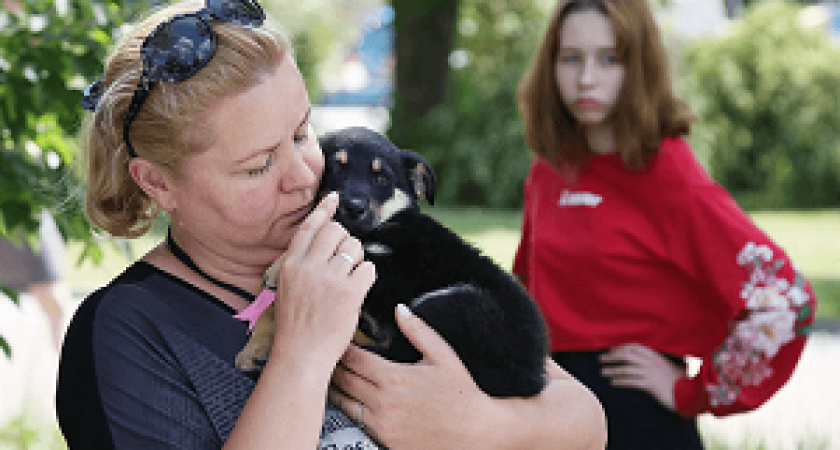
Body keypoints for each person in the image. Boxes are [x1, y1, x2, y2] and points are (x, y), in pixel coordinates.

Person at [56, 0, 606, 448]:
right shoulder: (128, 331)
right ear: (157, 183)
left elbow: (586, 419)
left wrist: (480, 428)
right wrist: (300, 356)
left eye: (302, 133)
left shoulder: (358, 251)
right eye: (258, 165)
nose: (303, 176)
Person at [514, 0, 817, 448]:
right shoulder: (549, 170)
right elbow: (526, 290)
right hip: (554, 415)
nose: (586, 79)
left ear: (638, 66)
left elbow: (786, 299)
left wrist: (691, 391)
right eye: (571, 58)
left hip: (638, 422)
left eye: (609, 59)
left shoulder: (669, 173)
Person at [0, 209, 68, 349]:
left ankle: (60, 349)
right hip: (26, 252)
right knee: (55, 309)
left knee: (55, 310)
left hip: (24, 245)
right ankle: (61, 350)